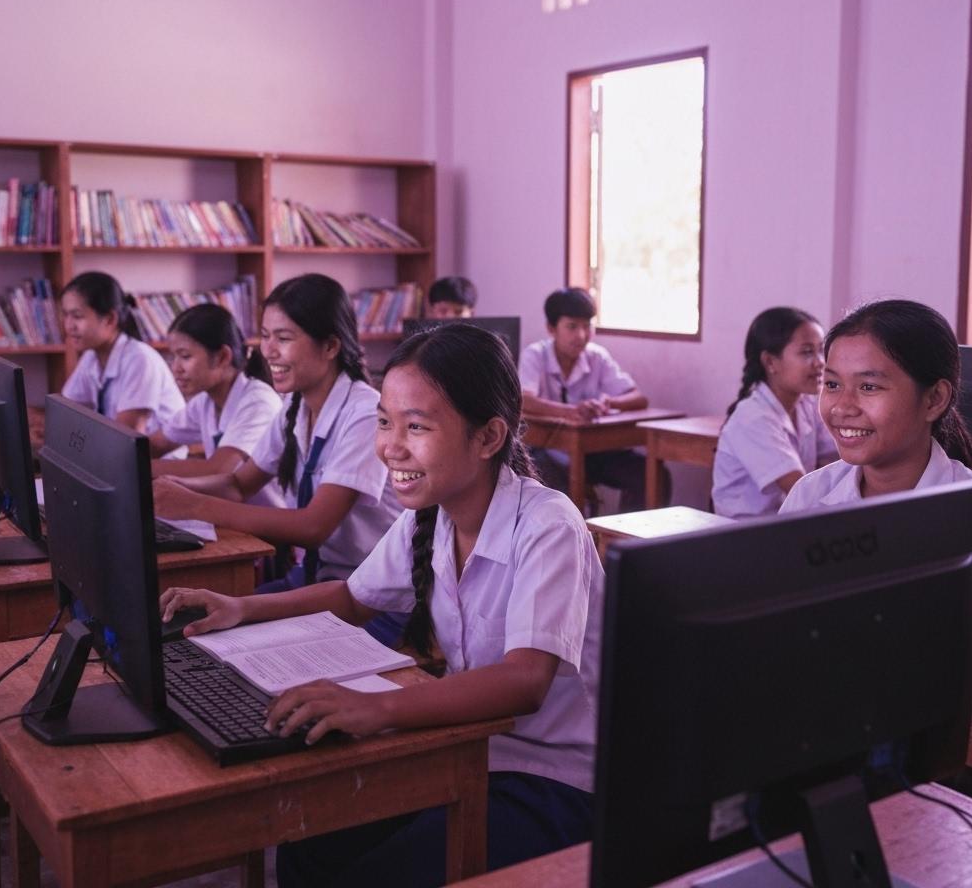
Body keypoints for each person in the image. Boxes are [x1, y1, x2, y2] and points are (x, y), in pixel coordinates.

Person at [160, 323, 602, 888]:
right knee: (308, 848)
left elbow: (524, 682)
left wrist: (380, 708)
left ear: (489, 436)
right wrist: (243, 608)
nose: (391, 446)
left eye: (417, 426)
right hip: (469, 750)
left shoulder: (547, 524)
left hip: (558, 779)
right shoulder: (431, 515)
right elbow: (351, 597)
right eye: (385, 421)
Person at [151, 274, 402, 600]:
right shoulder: (293, 407)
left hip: (366, 594)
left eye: (283, 338)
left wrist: (195, 505)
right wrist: (171, 489)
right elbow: (238, 485)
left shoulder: (366, 414)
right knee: (201, 618)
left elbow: (313, 528)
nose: (267, 351)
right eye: (266, 336)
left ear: (329, 346)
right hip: (312, 580)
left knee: (225, 630)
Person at [781, 299, 972, 512]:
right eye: (833, 384)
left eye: (869, 387)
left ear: (934, 399)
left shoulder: (964, 509)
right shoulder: (809, 496)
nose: (842, 408)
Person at [518, 286, 657, 511]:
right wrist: (571, 411)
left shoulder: (596, 356)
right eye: (572, 327)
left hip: (589, 451)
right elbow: (524, 399)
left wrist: (608, 402)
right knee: (547, 476)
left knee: (648, 474)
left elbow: (638, 398)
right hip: (546, 449)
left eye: (586, 326)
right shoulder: (535, 355)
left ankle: (627, 543)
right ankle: (572, 539)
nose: (581, 336)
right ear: (551, 329)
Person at [147, 303, 285, 507]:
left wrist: (139, 468)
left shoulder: (258, 401)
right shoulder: (205, 401)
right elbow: (157, 443)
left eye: (185, 356)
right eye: (173, 357)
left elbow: (218, 470)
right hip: (231, 516)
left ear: (222, 357)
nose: (175, 368)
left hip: (267, 528)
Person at [712, 307, 837, 518]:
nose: (820, 362)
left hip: (784, 524)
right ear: (770, 362)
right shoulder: (753, 418)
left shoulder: (806, 404)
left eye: (820, 350)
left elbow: (839, 453)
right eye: (807, 352)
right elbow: (799, 489)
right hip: (744, 535)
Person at [60, 271, 185, 442]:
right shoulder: (91, 358)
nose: (69, 326)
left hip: (159, 463)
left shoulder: (140, 360)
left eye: (78, 316)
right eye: (65, 315)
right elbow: (66, 413)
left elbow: (126, 438)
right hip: (112, 455)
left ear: (110, 319)